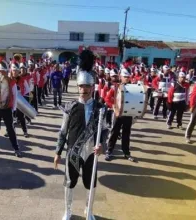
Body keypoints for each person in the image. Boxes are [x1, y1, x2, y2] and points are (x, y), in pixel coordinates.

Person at [54, 50, 108, 220]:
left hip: (92, 153)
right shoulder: (70, 107)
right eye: (81, 86)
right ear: (77, 87)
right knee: (69, 183)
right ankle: (68, 210)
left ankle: (88, 210)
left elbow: (105, 130)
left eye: (87, 86)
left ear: (92, 87)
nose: (84, 89)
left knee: (90, 184)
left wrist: (103, 146)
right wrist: (57, 152)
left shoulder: (101, 108)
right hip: (73, 152)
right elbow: (63, 132)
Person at [104, 68, 137, 162]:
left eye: (128, 77)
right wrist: (113, 106)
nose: (127, 78)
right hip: (118, 114)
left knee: (126, 134)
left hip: (128, 114)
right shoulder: (115, 87)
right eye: (125, 77)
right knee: (114, 133)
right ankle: (109, 151)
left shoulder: (133, 87)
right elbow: (107, 98)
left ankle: (126, 153)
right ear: (121, 77)